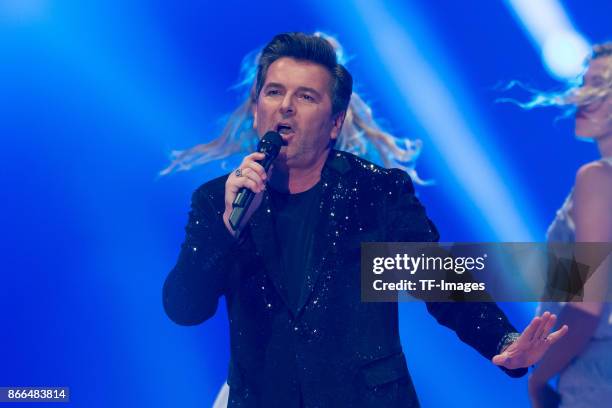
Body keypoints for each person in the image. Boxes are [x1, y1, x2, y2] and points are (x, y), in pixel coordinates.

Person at [163, 32, 567, 407]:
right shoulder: (218, 199)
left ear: (335, 122)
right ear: (256, 110)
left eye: (305, 97)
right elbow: (185, 307)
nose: (285, 106)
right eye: (274, 92)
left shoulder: (376, 192)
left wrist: (506, 340)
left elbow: (441, 281)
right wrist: (227, 227)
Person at [518, 42, 612, 408]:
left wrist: (539, 378)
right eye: (584, 84)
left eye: (601, 87)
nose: (584, 98)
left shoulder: (597, 178)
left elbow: (585, 309)